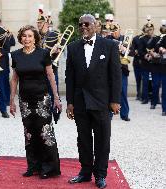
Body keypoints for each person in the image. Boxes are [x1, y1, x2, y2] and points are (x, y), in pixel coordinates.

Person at [66, 14, 121, 188]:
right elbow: (70, 78)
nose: (84, 27)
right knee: (83, 139)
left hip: (102, 101)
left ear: (95, 25)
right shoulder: (73, 47)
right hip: (80, 101)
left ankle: (100, 175)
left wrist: (114, 100)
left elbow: (115, 75)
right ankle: (85, 172)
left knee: (102, 139)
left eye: (87, 24)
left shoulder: (110, 45)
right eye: (81, 24)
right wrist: (70, 102)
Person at [10, 25, 62, 179]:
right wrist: (11, 100)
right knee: (29, 134)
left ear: (35, 39)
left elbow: (51, 76)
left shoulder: (43, 53)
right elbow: (14, 79)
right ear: (20, 38)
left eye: (30, 36)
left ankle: (49, 167)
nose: (27, 39)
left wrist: (56, 98)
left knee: (45, 133)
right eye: (24, 36)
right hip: (25, 100)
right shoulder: (16, 55)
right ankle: (33, 166)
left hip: (42, 99)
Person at [107, 22, 131, 121]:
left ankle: (124, 114)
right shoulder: (107, 39)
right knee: (109, 92)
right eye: (112, 31)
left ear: (119, 30)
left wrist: (125, 50)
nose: (113, 33)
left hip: (122, 68)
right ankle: (109, 114)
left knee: (123, 91)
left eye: (115, 31)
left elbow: (133, 52)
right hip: (110, 69)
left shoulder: (125, 39)